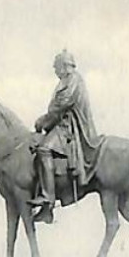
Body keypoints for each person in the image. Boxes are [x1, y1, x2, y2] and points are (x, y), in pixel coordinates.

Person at [30, 50, 103, 224]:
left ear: (64, 66)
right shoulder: (67, 81)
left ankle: (48, 199)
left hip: (70, 127)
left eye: (56, 67)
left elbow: (61, 106)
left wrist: (43, 121)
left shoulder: (73, 80)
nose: (55, 71)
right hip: (62, 123)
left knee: (43, 149)